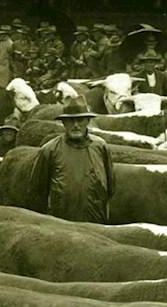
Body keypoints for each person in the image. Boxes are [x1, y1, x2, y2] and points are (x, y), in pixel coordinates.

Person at [29, 94, 116, 222]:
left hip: (95, 223)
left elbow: (111, 186)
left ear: (87, 121)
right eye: (70, 120)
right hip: (62, 225)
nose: (76, 125)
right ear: (63, 123)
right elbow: (37, 191)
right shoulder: (50, 150)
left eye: (80, 120)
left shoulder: (100, 147)